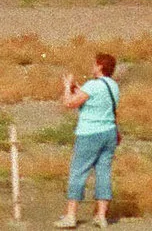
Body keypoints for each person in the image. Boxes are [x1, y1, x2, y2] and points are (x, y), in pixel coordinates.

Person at [57, 52, 119, 227]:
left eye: (94, 64)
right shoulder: (113, 85)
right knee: (103, 173)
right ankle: (101, 215)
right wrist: (79, 89)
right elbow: (93, 100)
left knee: (78, 172)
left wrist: (68, 87)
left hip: (90, 134)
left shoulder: (93, 85)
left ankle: (70, 215)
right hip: (109, 133)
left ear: (100, 66)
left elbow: (69, 103)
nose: (92, 66)